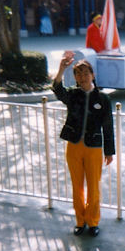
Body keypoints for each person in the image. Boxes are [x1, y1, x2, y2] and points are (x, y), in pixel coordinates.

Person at [52, 51, 115, 237]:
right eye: (78, 74)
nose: (82, 77)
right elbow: (57, 90)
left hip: (94, 147)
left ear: (93, 75)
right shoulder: (73, 95)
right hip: (74, 147)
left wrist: (109, 152)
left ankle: (93, 221)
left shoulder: (103, 99)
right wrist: (61, 69)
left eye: (86, 73)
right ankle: (80, 221)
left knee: (94, 187)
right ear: (76, 78)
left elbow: (108, 127)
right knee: (77, 186)